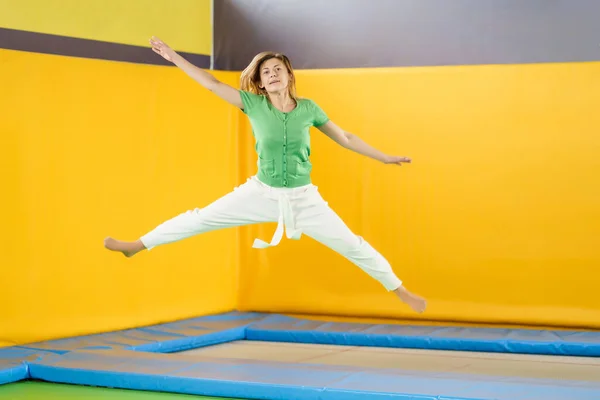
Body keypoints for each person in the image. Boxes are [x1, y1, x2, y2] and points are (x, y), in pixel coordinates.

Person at [104, 36, 427, 314]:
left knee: (353, 245)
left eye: (277, 70)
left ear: (289, 76)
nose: (272, 75)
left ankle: (400, 290)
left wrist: (383, 157)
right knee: (200, 218)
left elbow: (346, 138)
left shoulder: (309, 108)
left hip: (304, 199)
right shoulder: (252, 104)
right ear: (259, 81)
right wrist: (173, 57)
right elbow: (212, 84)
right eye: (265, 72)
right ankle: (138, 245)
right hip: (260, 193)